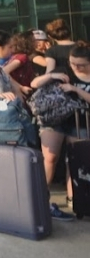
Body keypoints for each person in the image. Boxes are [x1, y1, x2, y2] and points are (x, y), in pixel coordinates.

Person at [29, 42, 86, 220]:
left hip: (81, 121)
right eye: (72, 63)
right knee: (50, 158)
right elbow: (34, 83)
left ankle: (76, 200)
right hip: (55, 118)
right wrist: (52, 75)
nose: (76, 67)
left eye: (81, 64)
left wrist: (75, 89)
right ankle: (41, 199)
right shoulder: (64, 70)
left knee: (77, 161)